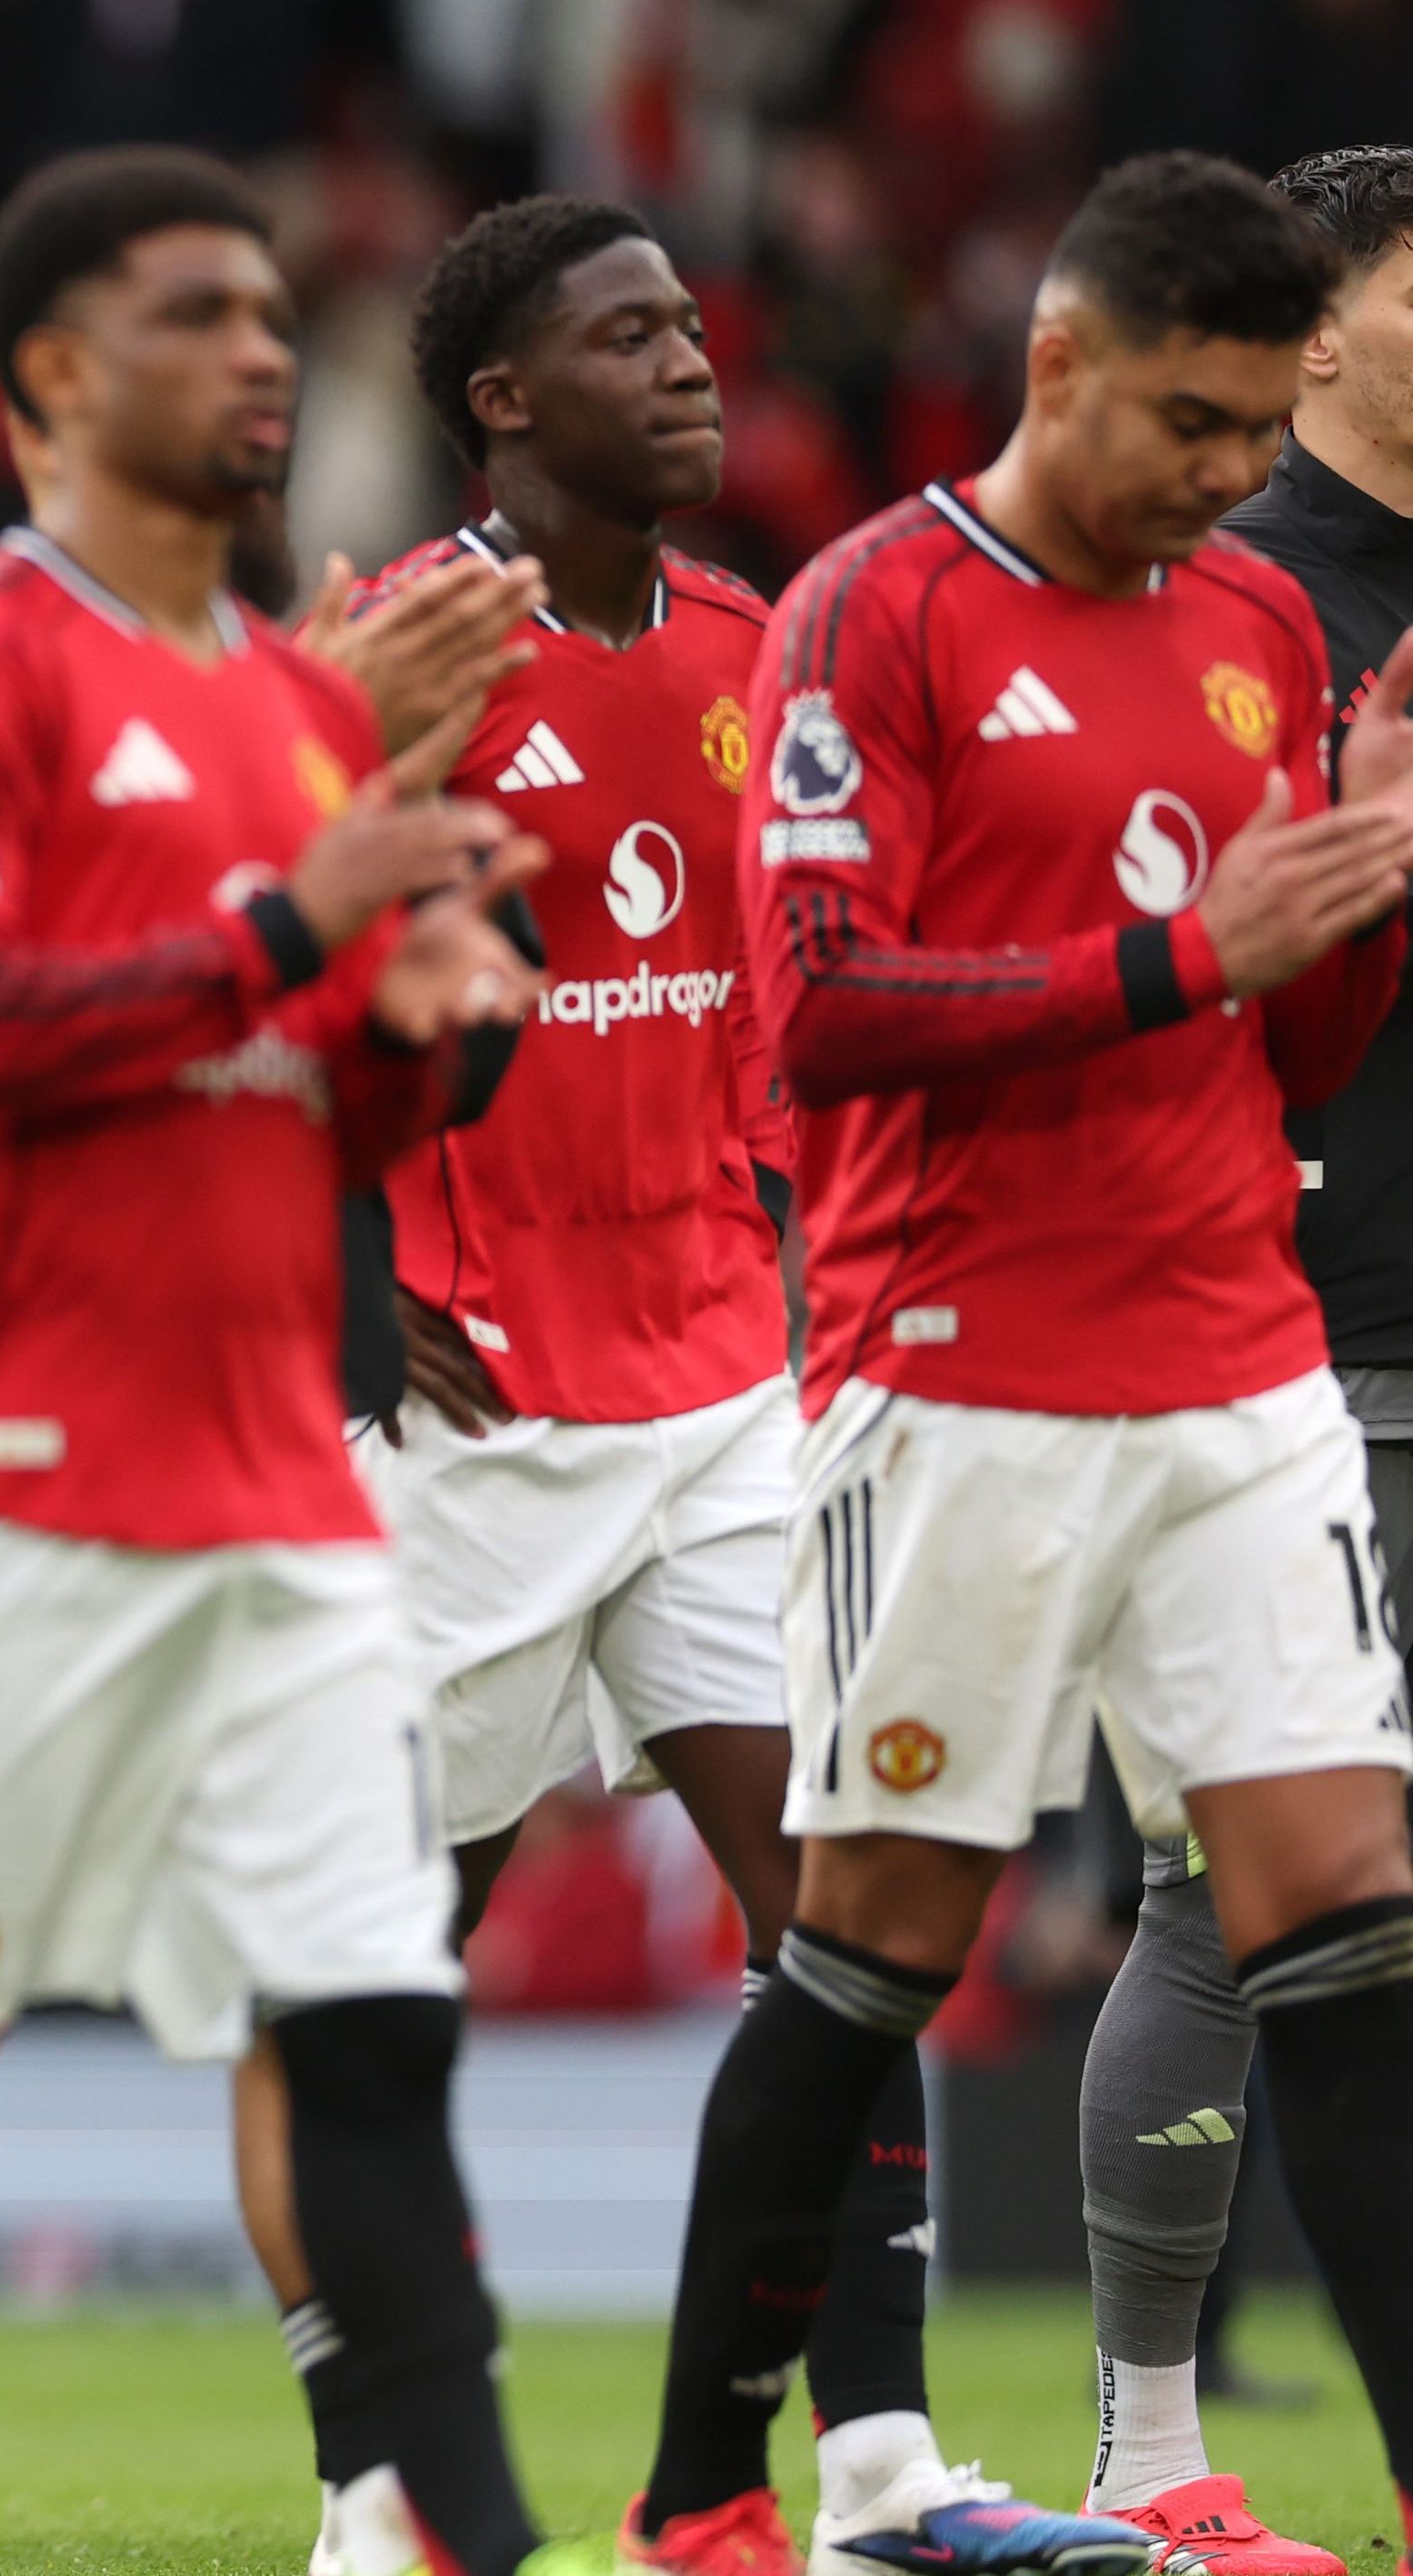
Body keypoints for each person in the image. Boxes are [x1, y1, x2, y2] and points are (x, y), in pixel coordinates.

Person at [0, 146, 565, 2576]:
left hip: (276, 1484)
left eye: (276, 311)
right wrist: (298, 914)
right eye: (198, 313)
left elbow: (319, 1097)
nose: (262, 349)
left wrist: (425, 1024)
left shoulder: (292, 701)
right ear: (54, 372)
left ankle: (471, 2541)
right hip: (10, 1481)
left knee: (371, 2036)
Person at [631, 149, 1413, 2575]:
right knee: (873, 1943)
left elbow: (1287, 1060)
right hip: (952, 1374)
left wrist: (1362, 876)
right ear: (1057, 359)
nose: (1216, 472)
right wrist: (1185, 959)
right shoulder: (872, 612)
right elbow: (823, 1013)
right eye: (1188, 418)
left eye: (1251, 422)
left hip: (1235, 1359)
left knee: (1351, 1921)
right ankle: (692, 2498)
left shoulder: (1255, 628)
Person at [324, 194, 1094, 2576]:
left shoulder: (765, 650)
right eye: (624, 335)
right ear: (498, 397)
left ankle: (862, 2468)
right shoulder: (380, 653)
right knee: (370, 1981)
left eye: (688, 328)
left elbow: (791, 1034)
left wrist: (816, 1290)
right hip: (461, 1414)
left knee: (849, 1920)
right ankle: (379, 2496)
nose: (691, 363)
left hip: (714, 1389)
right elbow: (242, 982)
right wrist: (332, 1273)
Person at [1054, 143, 1413, 2568]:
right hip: (1285, 1340)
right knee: (1244, 1902)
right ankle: (1144, 2454)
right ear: (1316, 326)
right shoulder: (1216, 605)